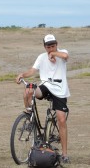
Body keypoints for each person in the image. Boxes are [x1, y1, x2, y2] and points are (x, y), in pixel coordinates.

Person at [16, 34, 70, 163]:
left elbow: (65, 56)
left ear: (57, 44)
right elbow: (32, 71)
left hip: (60, 89)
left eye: (53, 45)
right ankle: (29, 117)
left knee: (61, 120)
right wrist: (22, 75)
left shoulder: (62, 53)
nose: (51, 48)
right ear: (44, 47)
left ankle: (65, 153)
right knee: (28, 91)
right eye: (48, 46)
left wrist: (54, 54)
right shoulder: (41, 57)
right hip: (46, 86)